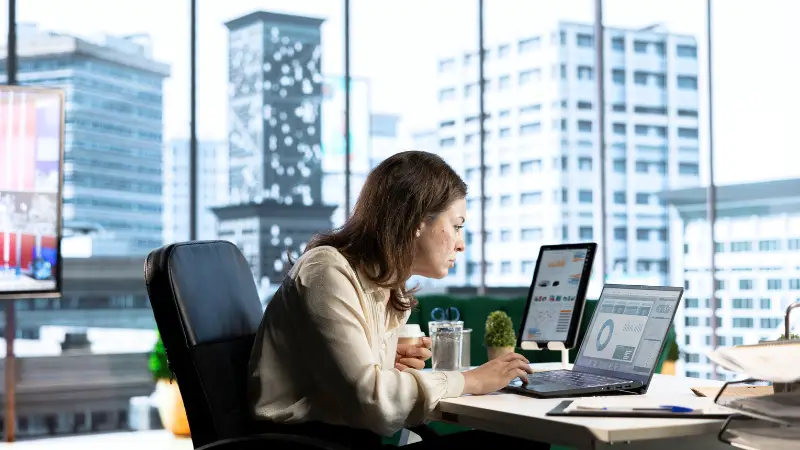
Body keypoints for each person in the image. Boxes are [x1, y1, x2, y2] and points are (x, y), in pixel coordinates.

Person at [248, 150, 548, 449]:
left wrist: (385, 366)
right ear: (416, 221)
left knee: (524, 440)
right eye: (457, 226)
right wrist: (470, 380)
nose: (461, 244)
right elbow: (371, 401)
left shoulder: (386, 286)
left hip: (349, 440)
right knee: (522, 443)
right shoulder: (325, 271)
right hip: (309, 444)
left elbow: (352, 387)